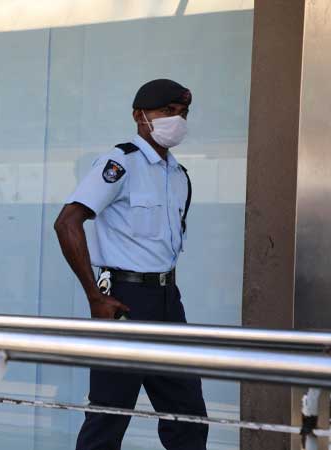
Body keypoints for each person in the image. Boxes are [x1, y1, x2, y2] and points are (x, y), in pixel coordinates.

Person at [54, 79, 208, 450]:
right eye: (167, 111)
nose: (177, 120)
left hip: (168, 301)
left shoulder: (178, 175)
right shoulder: (120, 163)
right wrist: (94, 296)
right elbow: (67, 222)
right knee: (109, 415)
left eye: (183, 113)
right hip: (125, 299)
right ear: (140, 116)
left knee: (188, 415)